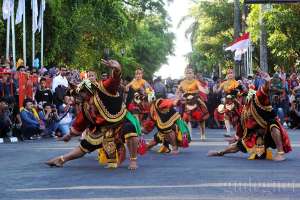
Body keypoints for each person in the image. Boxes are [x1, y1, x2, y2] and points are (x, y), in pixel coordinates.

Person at [46, 59, 141, 170]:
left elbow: (114, 80)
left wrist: (117, 69)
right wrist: (69, 135)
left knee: (130, 129)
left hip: (120, 120)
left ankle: (133, 160)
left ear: (85, 91)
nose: (77, 97)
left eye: (79, 94)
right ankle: (61, 159)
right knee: (85, 144)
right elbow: (80, 123)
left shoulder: (104, 88)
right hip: (103, 128)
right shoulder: (85, 106)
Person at [208, 71, 292, 161]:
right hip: (256, 133)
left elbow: (265, 89)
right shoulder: (244, 112)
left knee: (273, 124)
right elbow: (236, 145)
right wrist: (220, 152)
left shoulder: (259, 98)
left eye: (243, 97)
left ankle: (280, 153)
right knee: (240, 145)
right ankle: (222, 152)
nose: (241, 99)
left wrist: (268, 82)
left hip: (269, 131)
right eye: (240, 97)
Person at [176, 67, 209, 140]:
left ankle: (203, 134)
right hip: (186, 101)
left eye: (190, 73)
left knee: (201, 119)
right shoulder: (182, 83)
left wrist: (205, 90)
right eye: (187, 73)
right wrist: (179, 97)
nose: (188, 74)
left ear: (193, 74)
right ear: (185, 74)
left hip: (196, 100)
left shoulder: (196, 82)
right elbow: (178, 92)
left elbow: (201, 88)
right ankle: (189, 135)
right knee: (185, 119)